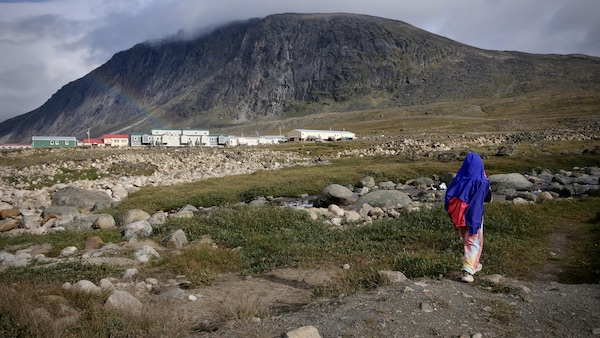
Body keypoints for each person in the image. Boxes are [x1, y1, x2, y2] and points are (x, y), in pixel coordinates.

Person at [444, 153, 491, 283]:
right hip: (474, 217)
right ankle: (467, 271)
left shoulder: (459, 179)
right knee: (474, 242)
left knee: (467, 241)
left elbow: (448, 197)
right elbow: (488, 198)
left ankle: (473, 265)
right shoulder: (482, 181)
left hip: (460, 217)